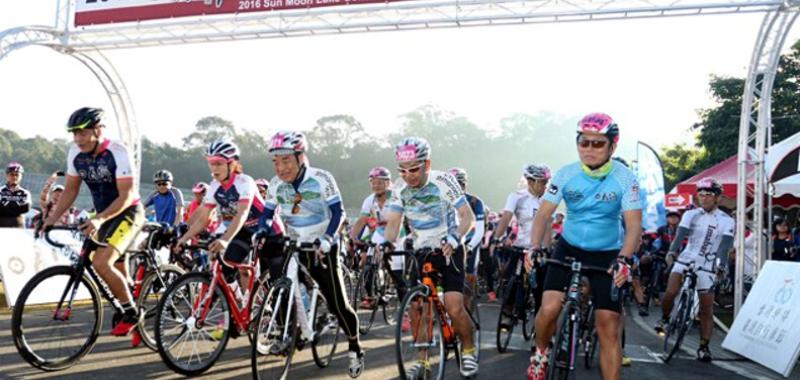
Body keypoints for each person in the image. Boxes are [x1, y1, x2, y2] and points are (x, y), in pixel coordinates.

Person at [525, 112, 642, 380]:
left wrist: (624, 258)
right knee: (550, 308)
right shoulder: (566, 174)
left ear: (613, 145)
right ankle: (541, 354)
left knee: (609, 326)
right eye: (583, 142)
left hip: (607, 254)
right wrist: (534, 246)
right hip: (569, 247)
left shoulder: (625, 179)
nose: (589, 149)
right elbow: (543, 215)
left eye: (597, 143)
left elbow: (633, 226)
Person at [259, 130, 364, 378]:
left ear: (300, 157)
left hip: (321, 246)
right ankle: (289, 333)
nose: (280, 167)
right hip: (294, 242)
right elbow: (267, 213)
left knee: (338, 304)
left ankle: (354, 344)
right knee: (280, 283)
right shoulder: (275, 184)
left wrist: (328, 238)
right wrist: (262, 229)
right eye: (275, 162)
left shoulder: (321, 178)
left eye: (286, 160)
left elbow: (338, 213)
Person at [42, 107, 145, 337]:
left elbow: (127, 195)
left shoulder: (118, 151)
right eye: (74, 133)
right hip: (103, 215)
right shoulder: (74, 153)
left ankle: (132, 313)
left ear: (98, 130)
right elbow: (70, 190)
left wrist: (99, 219)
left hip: (128, 211)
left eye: (83, 132)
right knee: (114, 268)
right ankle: (129, 297)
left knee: (101, 262)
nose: (78, 139)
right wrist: (50, 219)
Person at [382, 136, 479, 378]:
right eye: (403, 170)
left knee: (454, 307)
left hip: (449, 247)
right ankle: (422, 360)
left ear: (427, 164)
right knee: (418, 306)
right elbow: (394, 222)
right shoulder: (399, 188)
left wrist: (456, 238)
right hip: (421, 250)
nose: (408, 175)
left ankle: (468, 350)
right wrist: (385, 242)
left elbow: (467, 217)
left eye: (414, 169)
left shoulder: (444, 181)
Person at [174, 139, 266, 327]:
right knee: (223, 266)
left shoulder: (244, 182)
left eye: (218, 163)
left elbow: (242, 214)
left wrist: (225, 240)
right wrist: (183, 239)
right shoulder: (215, 186)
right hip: (238, 228)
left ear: (232, 164)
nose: (214, 168)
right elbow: (202, 218)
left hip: (258, 228)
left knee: (245, 264)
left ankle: (263, 305)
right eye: (211, 163)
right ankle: (240, 303)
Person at [655, 177, 735, 363]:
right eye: (701, 194)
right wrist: (672, 252)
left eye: (708, 195)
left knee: (706, 309)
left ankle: (704, 346)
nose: (704, 198)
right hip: (686, 259)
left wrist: (721, 266)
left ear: (717, 198)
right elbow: (680, 235)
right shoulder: (691, 214)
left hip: (707, 265)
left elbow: (724, 246)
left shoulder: (727, 220)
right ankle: (665, 318)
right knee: (671, 291)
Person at [492, 163, 552, 325]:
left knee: (541, 289)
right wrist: (496, 237)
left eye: (547, 182)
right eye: (542, 182)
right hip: (521, 245)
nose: (545, 186)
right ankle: (508, 311)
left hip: (539, 248)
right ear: (531, 181)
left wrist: (546, 249)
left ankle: (540, 325)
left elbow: (548, 226)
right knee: (512, 276)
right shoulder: (517, 196)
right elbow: (506, 218)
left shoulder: (548, 200)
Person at [350, 166, 402, 310]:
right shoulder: (369, 200)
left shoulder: (396, 196)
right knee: (368, 261)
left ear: (388, 183)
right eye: (373, 182)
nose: (376, 186)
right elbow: (362, 220)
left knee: (396, 267)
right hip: (380, 231)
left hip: (398, 232)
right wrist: (352, 237)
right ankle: (372, 295)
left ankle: (399, 291)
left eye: (379, 182)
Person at [448, 167, 486, 313]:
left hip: (470, 242)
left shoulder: (475, 202)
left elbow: (480, 230)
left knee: (468, 278)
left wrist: (469, 247)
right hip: (451, 242)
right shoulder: (443, 201)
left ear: (464, 185)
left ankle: (467, 311)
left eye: (459, 185)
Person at [0, 162, 31, 228]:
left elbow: (26, 208)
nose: (14, 177)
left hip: (18, 225)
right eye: (12, 174)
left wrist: (5, 208)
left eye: (17, 175)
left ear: (21, 176)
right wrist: (16, 209)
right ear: (7, 176)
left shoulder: (25, 192)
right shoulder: (0, 191)